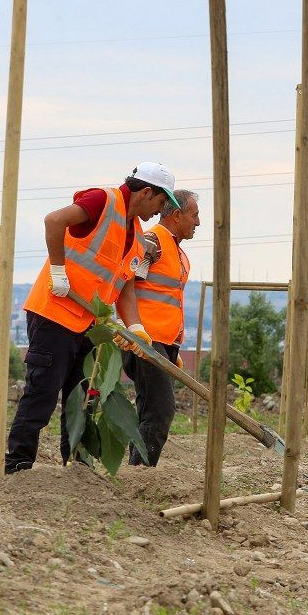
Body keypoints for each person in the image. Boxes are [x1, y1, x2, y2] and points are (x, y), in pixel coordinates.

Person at [6, 163, 181, 473]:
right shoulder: (103, 200)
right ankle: (17, 466)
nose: (160, 211)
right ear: (146, 192)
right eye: (161, 203)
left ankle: (77, 469)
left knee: (82, 400)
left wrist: (136, 327)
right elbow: (54, 220)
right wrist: (58, 269)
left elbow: (126, 288)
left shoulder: (138, 235)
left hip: (88, 324)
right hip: (54, 315)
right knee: (42, 396)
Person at [123, 189, 199, 467]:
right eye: (195, 215)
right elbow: (125, 282)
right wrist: (127, 327)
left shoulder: (176, 251)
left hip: (161, 344)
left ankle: (136, 471)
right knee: (161, 410)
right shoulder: (151, 242)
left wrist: (172, 348)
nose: (198, 222)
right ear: (177, 215)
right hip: (144, 340)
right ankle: (141, 471)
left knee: (149, 408)